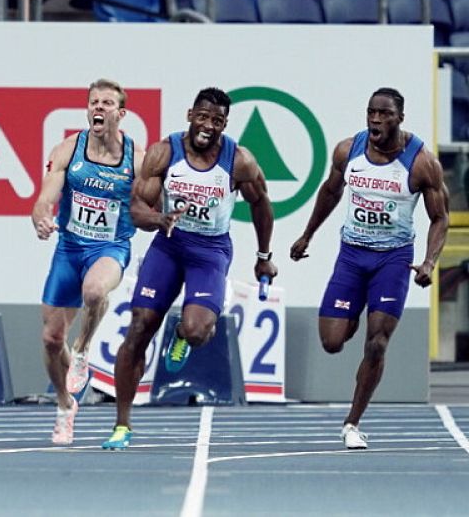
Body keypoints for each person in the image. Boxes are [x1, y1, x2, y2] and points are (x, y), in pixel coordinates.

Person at [102, 87, 277, 451]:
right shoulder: (164, 152)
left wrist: (264, 255)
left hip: (210, 252)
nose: (207, 126)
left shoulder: (239, 161)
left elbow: (261, 205)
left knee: (197, 331)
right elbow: (135, 210)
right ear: (189, 115)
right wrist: (157, 218)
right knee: (138, 331)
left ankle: (182, 335)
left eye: (216, 121)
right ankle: (122, 424)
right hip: (169, 246)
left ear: (224, 124)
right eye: (202, 117)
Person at [290, 88, 449, 450]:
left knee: (376, 343)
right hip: (352, 255)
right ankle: (359, 307)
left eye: (384, 114)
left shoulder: (422, 162)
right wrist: (307, 235)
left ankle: (352, 422)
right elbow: (330, 192)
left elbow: (440, 218)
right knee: (332, 342)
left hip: (392, 259)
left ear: (400, 118)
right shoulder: (349, 151)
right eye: (371, 112)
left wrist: (428, 262)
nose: (376, 119)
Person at [31, 79, 155, 445]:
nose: (98, 108)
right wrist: (40, 216)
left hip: (111, 247)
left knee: (95, 289)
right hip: (69, 248)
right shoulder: (69, 149)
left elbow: (149, 204)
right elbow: (45, 198)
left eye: (106, 103)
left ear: (122, 113)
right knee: (52, 339)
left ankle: (83, 349)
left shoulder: (138, 158)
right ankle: (65, 404)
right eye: (93, 102)